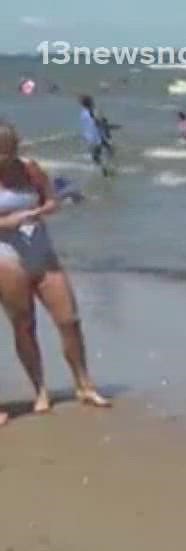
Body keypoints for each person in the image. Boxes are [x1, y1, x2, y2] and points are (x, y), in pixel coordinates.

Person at [0, 122, 110, 419]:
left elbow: (52, 199)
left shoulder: (29, 169)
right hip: (7, 258)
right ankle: (40, 390)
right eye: (1, 153)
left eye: (10, 151)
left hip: (43, 252)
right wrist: (6, 223)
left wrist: (43, 209)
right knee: (24, 325)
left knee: (69, 319)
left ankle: (84, 384)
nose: (6, 158)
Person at [77, 95, 114, 176]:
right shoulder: (92, 112)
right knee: (108, 151)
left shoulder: (83, 113)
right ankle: (106, 170)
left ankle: (105, 169)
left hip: (91, 138)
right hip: (97, 137)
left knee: (97, 156)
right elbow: (98, 123)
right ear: (91, 102)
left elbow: (92, 124)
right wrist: (110, 128)